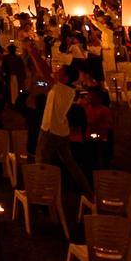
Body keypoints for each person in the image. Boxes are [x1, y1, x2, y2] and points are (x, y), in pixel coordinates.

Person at [34, 65, 92, 196]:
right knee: (70, 163)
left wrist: (32, 51)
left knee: (41, 162)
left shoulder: (61, 88)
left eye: (59, 71)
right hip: (62, 132)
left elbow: (45, 72)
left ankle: (40, 194)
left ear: (65, 78)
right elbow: (46, 72)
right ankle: (87, 191)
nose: (56, 72)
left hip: (50, 131)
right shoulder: (68, 89)